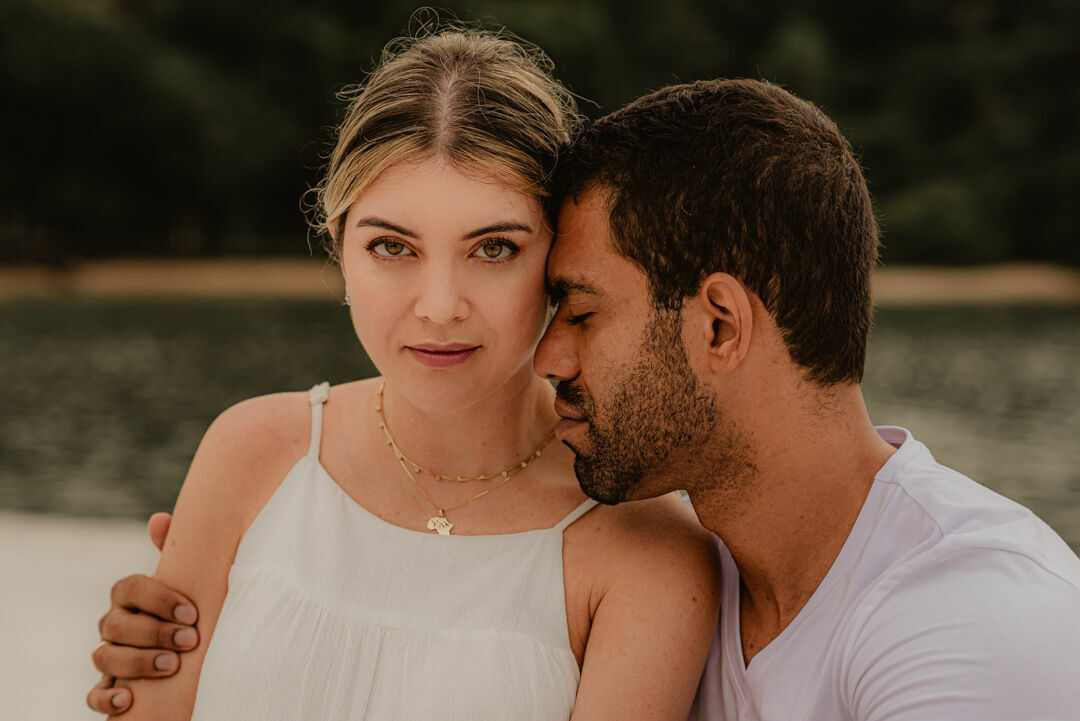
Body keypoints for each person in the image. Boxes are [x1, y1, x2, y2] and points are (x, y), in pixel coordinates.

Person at [92, 78, 1080, 719]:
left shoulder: (972, 628)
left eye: (578, 306)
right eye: (390, 245)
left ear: (721, 328)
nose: (548, 351)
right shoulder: (733, 561)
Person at [85, 26, 722, 720]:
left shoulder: (649, 551)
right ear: (340, 248)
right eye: (392, 246)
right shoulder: (252, 453)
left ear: (557, 257)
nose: (440, 307)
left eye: (494, 248)